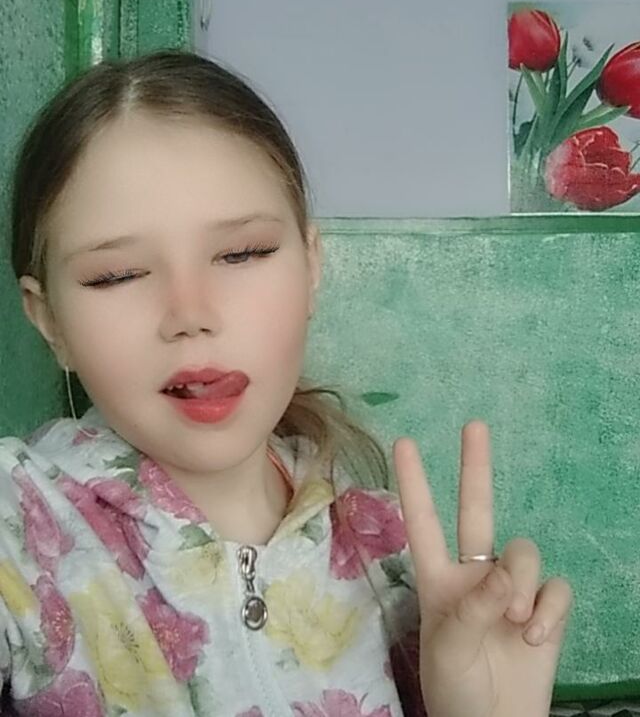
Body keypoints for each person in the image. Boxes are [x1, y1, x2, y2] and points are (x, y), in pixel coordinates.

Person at [1, 50, 571, 716]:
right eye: (117, 274)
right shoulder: (20, 526)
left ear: (311, 264)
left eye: (242, 253)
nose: (191, 313)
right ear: (48, 319)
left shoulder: (386, 550)